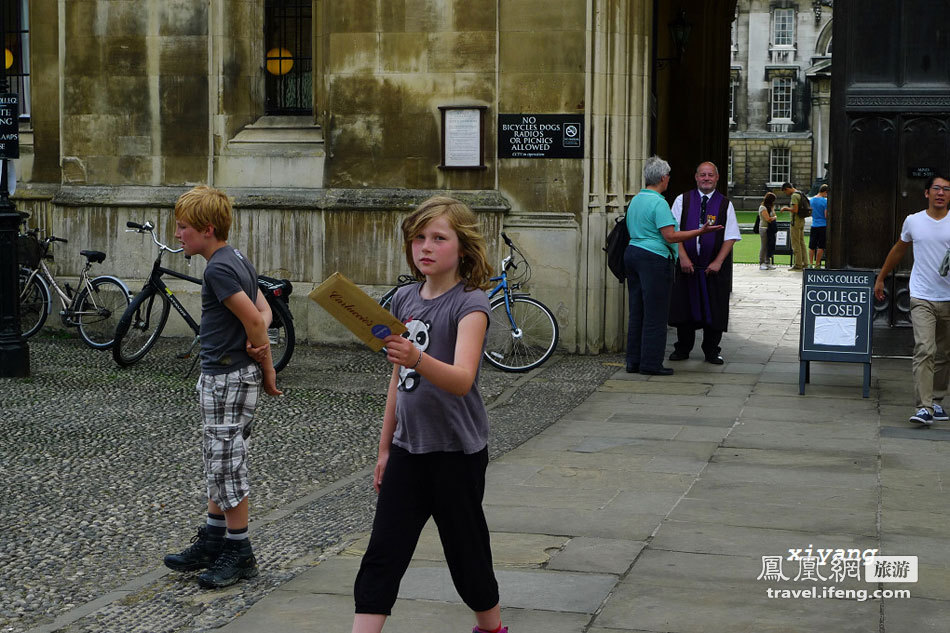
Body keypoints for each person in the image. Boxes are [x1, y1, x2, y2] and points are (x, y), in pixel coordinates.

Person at [352, 197, 506, 633]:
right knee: (383, 552)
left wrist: (416, 357)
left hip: (457, 454)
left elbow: (461, 379)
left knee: (467, 554)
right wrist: (384, 448)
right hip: (407, 451)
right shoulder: (403, 298)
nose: (426, 246)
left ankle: (491, 628)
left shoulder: (472, 303)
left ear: (463, 248)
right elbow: (398, 383)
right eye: (419, 237)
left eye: (438, 238)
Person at [162, 185, 281, 589]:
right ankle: (214, 539)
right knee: (219, 459)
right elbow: (264, 310)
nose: (178, 234)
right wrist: (260, 349)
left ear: (207, 229)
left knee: (227, 466)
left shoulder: (218, 268)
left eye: (183, 228)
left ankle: (239, 551)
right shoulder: (236, 258)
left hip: (228, 378)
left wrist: (267, 368)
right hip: (224, 377)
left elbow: (254, 321)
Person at [624, 156, 723, 376]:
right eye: (668, 176)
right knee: (656, 315)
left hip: (633, 254)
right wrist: (701, 231)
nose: (669, 179)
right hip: (654, 259)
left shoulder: (637, 199)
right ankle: (651, 363)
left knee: (637, 312)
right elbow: (670, 236)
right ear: (662, 177)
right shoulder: (659, 202)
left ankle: (634, 360)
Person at [874, 174, 950, 426]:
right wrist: (881, 278)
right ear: (927, 193)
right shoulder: (914, 221)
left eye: (946, 189)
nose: (941, 193)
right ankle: (924, 406)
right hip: (921, 296)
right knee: (925, 349)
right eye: (936, 188)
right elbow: (899, 248)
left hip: (948, 297)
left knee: (944, 354)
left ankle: (937, 400)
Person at [667, 161, 741, 365]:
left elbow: (731, 236)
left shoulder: (725, 203)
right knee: (685, 308)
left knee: (715, 309)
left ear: (717, 178)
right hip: (687, 266)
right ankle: (682, 348)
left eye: (710, 175)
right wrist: (682, 257)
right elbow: (672, 232)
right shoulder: (683, 200)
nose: (706, 178)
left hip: (712, 268)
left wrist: (718, 262)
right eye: (702, 175)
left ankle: (711, 350)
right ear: (696, 177)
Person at [780, 182, 808, 271]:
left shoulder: (794, 196)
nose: (786, 194)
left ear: (787, 189)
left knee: (795, 244)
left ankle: (798, 265)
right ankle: (805, 263)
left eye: (785, 192)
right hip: (802, 220)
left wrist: (785, 208)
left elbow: (795, 210)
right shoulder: (800, 193)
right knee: (802, 242)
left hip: (796, 221)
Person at [809, 184, 829, 268]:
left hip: (814, 224)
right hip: (823, 225)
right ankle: (817, 263)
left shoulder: (811, 200)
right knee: (821, 246)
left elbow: (810, 212)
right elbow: (825, 215)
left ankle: (810, 263)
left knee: (812, 245)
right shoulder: (825, 201)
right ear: (825, 192)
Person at [758, 192, 777, 271]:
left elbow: (774, 215)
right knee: (764, 246)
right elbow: (768, 219)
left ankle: (767, 262)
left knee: (769, 245)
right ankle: (762, 262)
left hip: (770, 229)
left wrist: (774, 215)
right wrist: (774, 217)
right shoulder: (763, 208)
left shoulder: (770, 207)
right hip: (764, 228)